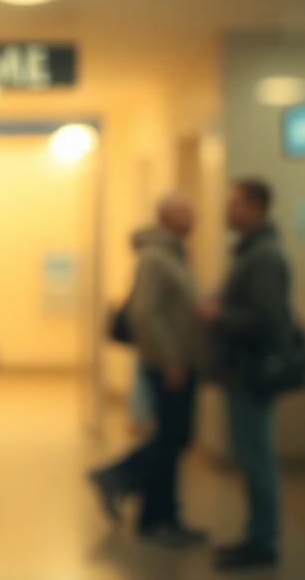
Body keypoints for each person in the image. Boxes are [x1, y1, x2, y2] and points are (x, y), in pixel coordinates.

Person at [89, 195, 208, 547]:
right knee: (171, 439)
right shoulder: (157, 257)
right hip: (169, 364)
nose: (193, 215)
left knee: (175, 437)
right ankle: (153, 516)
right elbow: (145, 313)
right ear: (166, 217)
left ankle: (150, 503)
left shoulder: (173, 254)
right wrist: (170, 358)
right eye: (186, 209)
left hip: (181, 361)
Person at [200, 179, 293, 571]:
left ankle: (264, 540)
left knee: (256, 457)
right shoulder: (250, 253)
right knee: (250, 454)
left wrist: (218, 315)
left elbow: (266, 320)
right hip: (241, 373)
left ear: (255, 207)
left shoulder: (264, 257)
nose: (227, 210)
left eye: (234, 203)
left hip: (252, 372)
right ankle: (256, 533)